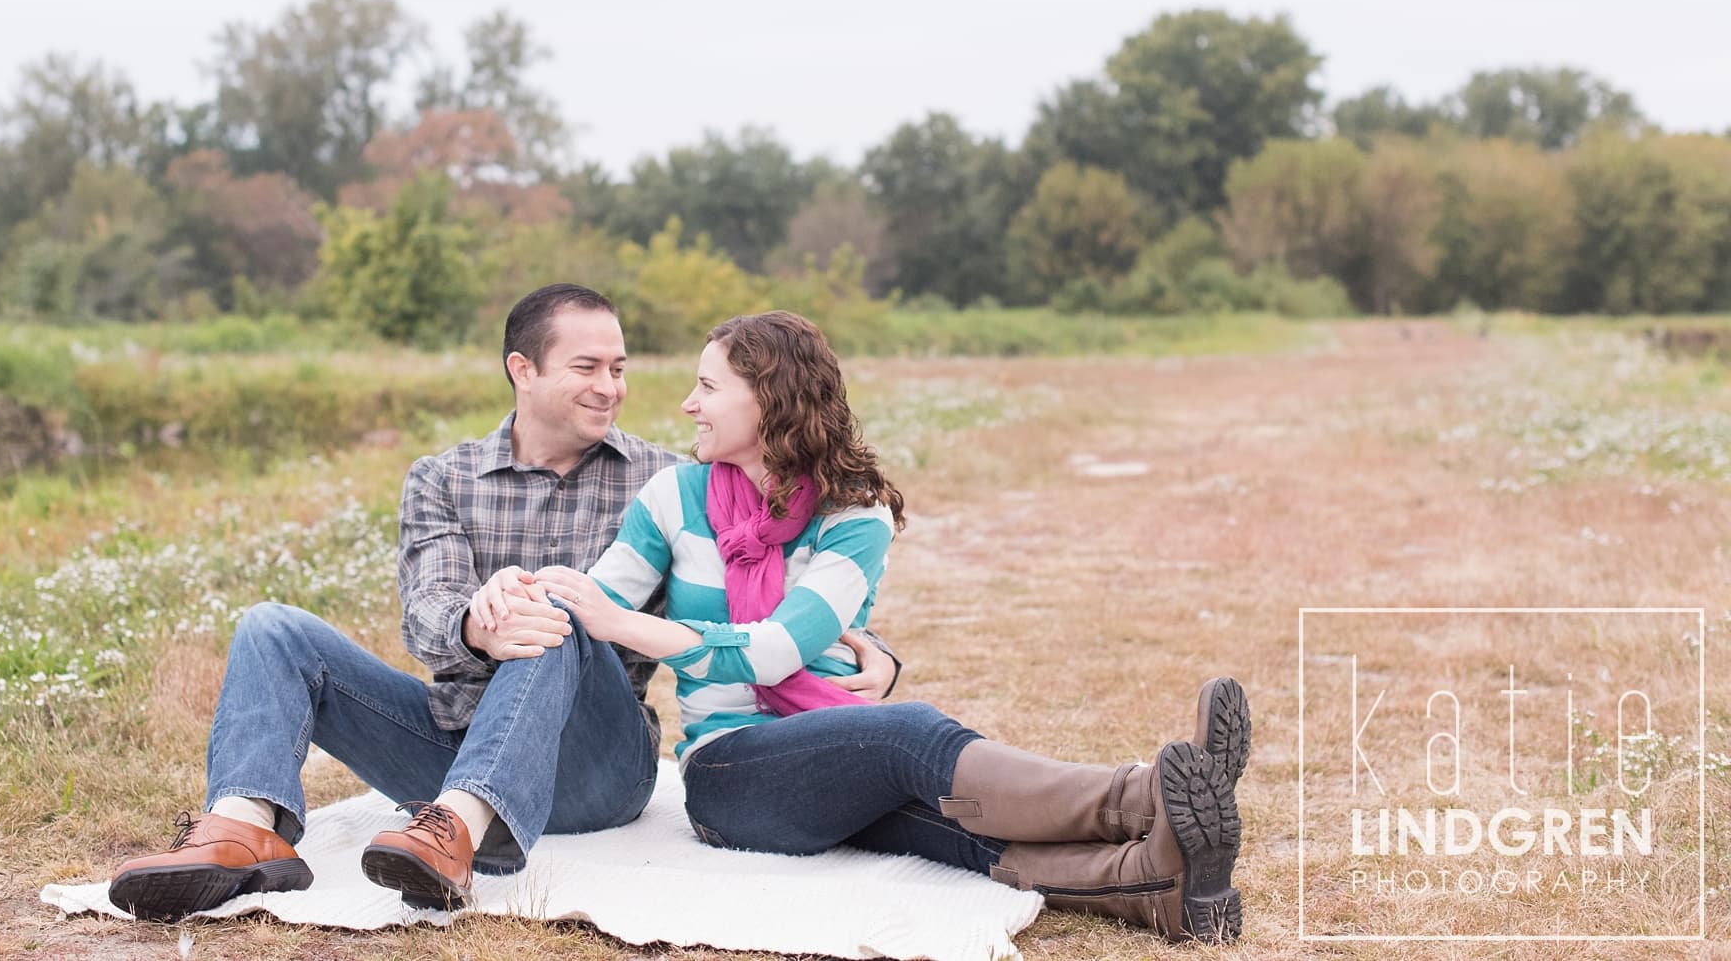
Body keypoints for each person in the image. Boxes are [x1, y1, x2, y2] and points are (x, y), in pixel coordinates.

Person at [105, 284, 898, 920]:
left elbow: (771, 592)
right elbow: (427, 616)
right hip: (445, 739)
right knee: (272, 627)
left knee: (551, 611)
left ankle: (457, 834)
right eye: (588, 366)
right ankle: (246, 830)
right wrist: (478, 622)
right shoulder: (441, 477)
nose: (612, 386)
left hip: (593, 761)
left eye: (619, 367)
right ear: (523, 370)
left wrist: (875, 650)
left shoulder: (666, 478)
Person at [533, 311, 1251, 945]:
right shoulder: (672, 496)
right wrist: (565, 606)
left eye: (709, 386)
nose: (689, 403)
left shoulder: (855, 516)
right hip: (727, 773)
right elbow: (598, 606)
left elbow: (782, 647)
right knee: (907, 734)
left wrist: (631, 624)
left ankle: (1151, 883)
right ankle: (1140, 794)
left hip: (828, 748)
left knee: (937, 824)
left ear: (770, 400)